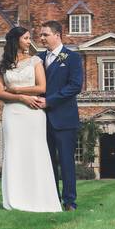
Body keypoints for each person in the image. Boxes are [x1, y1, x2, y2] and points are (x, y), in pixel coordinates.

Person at [0, 26, 62, 212]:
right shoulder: (2, 65)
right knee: (14, 153)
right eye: (25, 38)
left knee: (36, 152)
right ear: (16, 40)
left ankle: (40, 199)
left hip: (33, 114)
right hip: (12, 113)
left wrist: (17, 90)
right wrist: (21, 98)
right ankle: (15, 198)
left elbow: (41, 87)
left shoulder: (35, 61)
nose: (29, 41)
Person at [36, 20, 83, 211]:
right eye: (41, 35)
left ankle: (69, 201)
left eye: (45, 35)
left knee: (66, 162)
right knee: (47, 162)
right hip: (40, 119)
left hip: (64, 119)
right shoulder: (37, 58)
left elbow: (75, 86)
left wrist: (49, 101)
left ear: (57, 35)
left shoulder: (72, 57)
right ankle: (52, 199)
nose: (41, 38)